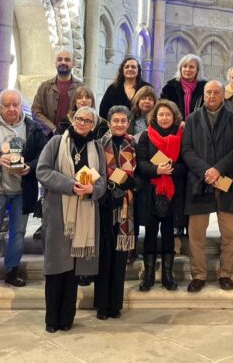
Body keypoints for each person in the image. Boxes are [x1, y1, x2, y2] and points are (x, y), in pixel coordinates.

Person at [37, 106, 107, 333]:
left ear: (93, 125)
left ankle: (67, 318)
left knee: (73, 270)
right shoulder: (57, 142)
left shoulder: (96, 146)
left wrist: (91, 189)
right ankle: (51, 319)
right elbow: (43, 171)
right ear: (72, 119)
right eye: (79, 118)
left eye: (87, 120)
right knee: (57, 267)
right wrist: (70, 185)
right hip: (59, 213)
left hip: (85, 211)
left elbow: (103, 180)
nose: (82, 123)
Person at [0, 89, 47, 291]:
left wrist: (30, 167)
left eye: (15, 105)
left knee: (18, 234)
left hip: (22, 191)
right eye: (7, 105)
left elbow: (44, 155)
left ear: (21, 106)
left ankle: (12, 270)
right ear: (0, 106)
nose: (12, 109)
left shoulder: (32, 128)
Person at [182, 80, 233, 291]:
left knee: (230, 233)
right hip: (200, 182)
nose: (212, 96)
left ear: (223, 95)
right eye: (208, 92)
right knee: (197, 233)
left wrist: (218, 169)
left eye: (216, 92)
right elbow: (187, 150)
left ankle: (226, 274)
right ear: (204, 94)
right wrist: (206, 171)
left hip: (227, 181)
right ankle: (198, 275)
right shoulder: (192, 119)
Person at [135, 99, 185, 291]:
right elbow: (140, 162)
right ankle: (147, 276)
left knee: (168, 233)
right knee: (150, 233)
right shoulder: (146, 136)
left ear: (174, 116)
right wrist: (157, 170)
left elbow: (185, 162)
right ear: (155, 116)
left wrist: (170, 169)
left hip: (173, 191)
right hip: (150, 192)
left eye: (168, 114)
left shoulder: (181, 135)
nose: (164, 118)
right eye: (161, 114)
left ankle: (167, 275)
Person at [94, 106, 138, 318]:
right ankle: (102, 304)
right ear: (109, 123)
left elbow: (139, 171)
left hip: (126, 204)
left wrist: (132, 182)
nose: (119, 124)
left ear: (128, 123)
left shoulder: (133, 143)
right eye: (116, 120)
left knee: (120, 256)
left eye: (123, 121)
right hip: (105, 202)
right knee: (105, 254)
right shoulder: (100, 143)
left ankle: (115, 305)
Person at [31, 49, 83, 137]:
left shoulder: (81, 88)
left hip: (74, 137)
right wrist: (53, 129)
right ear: (55, 63)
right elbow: (36, 111)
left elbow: (87, 112)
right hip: (47, 137)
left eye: (67, 60)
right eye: (60, 59)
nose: (63, 62)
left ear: (73, 64)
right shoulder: (44, 87)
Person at [99, 56, 151, 121]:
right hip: (118, 126)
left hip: (142, 127)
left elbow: (153, 109)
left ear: (138, 70)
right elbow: (103, 110)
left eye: (133, 67)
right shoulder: (112, 89)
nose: (130, 69)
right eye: (127, 67)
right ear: (122, 70)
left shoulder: (146, 88)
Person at [160, 54, 207, 119]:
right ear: (180, 69)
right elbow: (162, 109)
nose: (187, 69)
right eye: (184, 66)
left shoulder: (206, 88)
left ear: (197, 70)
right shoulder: (169, 88)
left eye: (191, 67)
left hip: (198, 127)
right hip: (175, 126)